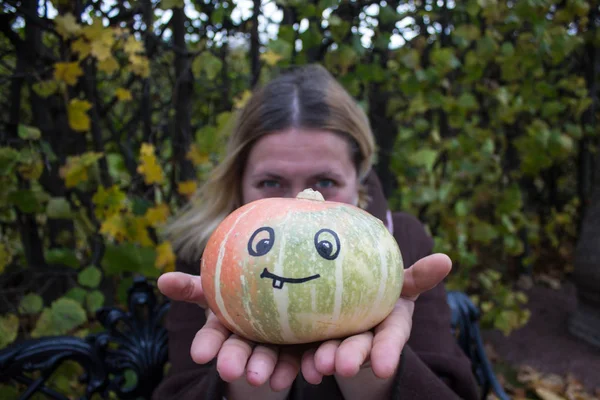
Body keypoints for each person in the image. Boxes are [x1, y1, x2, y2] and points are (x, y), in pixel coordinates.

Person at [153, 64, 479, 400]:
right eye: (270, 182)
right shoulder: (212, 255)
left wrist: (373, 379)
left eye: (325, 182)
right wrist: (244, 389)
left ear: (359, 177)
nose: (298, 203)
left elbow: (454, 388)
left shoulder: (402, 245)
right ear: (239, 181)